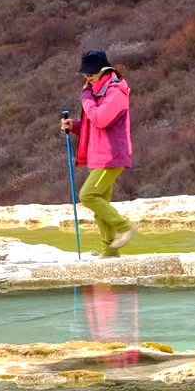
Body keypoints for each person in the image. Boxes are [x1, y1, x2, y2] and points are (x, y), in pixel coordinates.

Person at [59, 49, 136, 256]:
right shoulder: (98, 91)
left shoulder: (116, 91)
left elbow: (101, 119)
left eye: (90, 74)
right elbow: (93, 124)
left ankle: (125, 227)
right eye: (85, 75)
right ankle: (110, 252)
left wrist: (85, 98)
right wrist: (74, 126)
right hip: (100, 155)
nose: (87, 78)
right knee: (100, 209)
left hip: (112, 156)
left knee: (88, 195)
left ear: (103, 71)